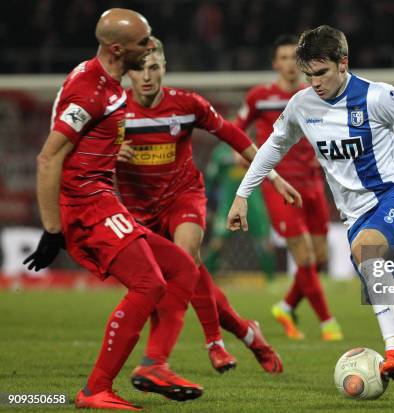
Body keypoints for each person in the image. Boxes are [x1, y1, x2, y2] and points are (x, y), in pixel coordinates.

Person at [227, 25, 394, 400]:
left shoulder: (378, 96)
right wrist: (243, 194)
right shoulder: (301, 105)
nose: (315, 82)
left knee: (365, 248)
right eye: (309, 75)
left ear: (344, 63)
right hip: (357, 217)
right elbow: (272, 148)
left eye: (322, 73)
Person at [24, 9, 204, 410]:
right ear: (118, 49)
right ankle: (95, 390)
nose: (150, 46)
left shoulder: (105, 81)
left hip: (101, 198)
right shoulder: (91, 91)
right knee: (149, 284)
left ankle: (154, 365)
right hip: (87, 204)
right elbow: (48, 158)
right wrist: (53, 230)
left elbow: (83, 143)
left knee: (180, 268)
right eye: (144, 42)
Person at [116, 37, 291, 375]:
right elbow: (81, 154)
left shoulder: (186, 104)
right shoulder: (114, 112)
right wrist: (109, 153)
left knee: (185, 260)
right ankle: (247, 332)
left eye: (154, 67)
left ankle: (214, 343)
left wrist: (274, 177)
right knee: (165, 285)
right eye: (139, 69)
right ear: (128, 73)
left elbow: (234, 136)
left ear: (165, 68)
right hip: (140, 211)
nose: (147, 76)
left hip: (183, 197)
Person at [235, 35, 343, 341]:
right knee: (305, 256)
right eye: (282, 58)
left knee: (320, 257)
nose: (288, 64)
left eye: (292, 58)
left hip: (312, 183)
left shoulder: (313, 94)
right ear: (275, 63)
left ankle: (285, 306)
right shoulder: (260, 97)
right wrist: (240, 151)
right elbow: (236, 128)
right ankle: (327, 322)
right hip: (278, 183)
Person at [204, 144, 276, 281]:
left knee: (264, 242)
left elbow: (269, 173)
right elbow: (210, 179)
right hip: (228, 204)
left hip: (254, 204)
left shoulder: (253, 149)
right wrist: (206, 203)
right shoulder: (220, 153)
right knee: (218, 241)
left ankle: (270, 280)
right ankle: (207, 278)